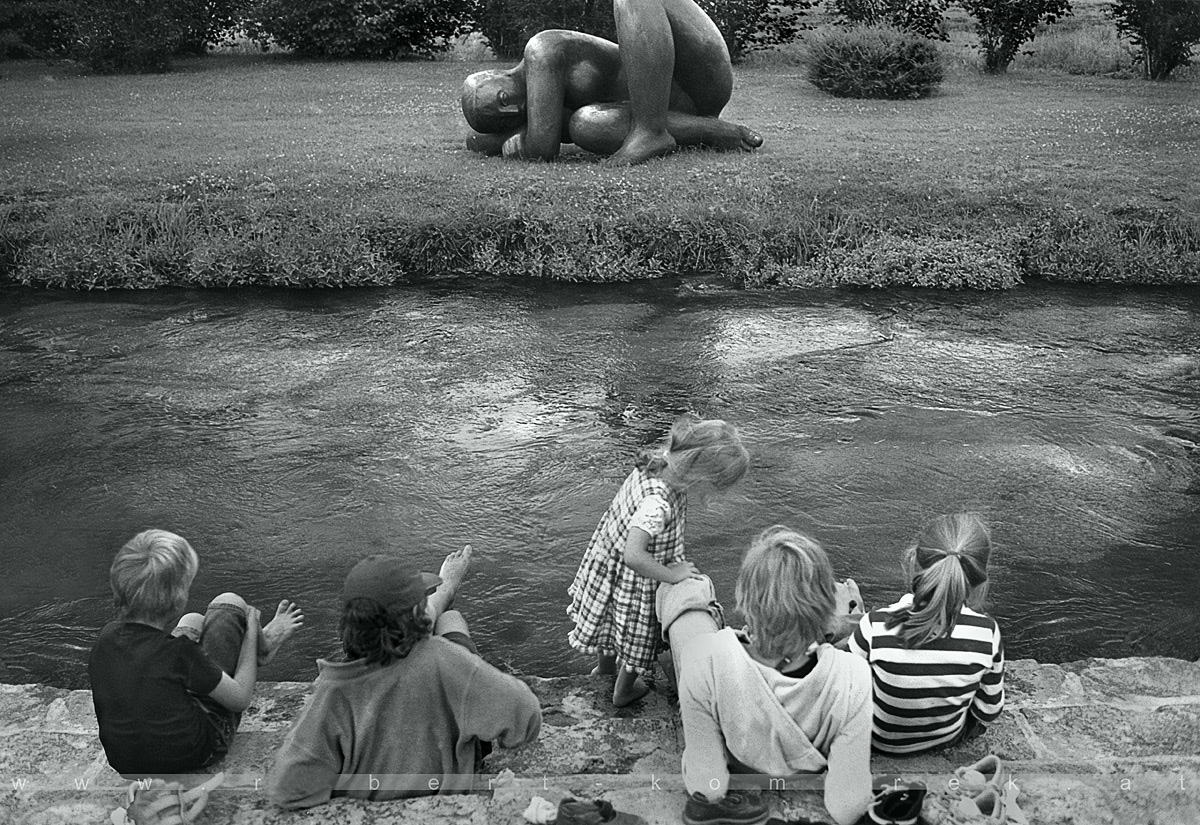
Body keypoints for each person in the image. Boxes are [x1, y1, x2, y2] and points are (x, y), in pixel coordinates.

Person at [266, 545, 542, 808]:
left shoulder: (331, 693)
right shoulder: (443, 659)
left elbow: (287, 790)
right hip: (446, 792)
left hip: (366, 796)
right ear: (415, 614)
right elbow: (526, 717)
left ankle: (446, 594)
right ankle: (447, 598)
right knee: (452, 621)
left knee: (446, 619)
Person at [675, 526, 874, 825]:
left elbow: (708, 787)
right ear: (823, 608)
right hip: (804, 768)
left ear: (744, 597)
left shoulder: (702, 658)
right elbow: (848, 805)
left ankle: (697, 593)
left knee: (685, 594)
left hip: (723, 685)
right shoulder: (853, 677)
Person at [567, 416, 750, 708]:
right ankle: (623, 690)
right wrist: (672, 574)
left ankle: (604, 669)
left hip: (608, 566)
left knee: (611, 621)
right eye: (715, 487)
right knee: (636, 635)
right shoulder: (659, 503)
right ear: (701, 478)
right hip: (635, 578)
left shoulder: (658, 464)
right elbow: (635, 555)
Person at [88, 529, 303, 776]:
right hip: (195, 753)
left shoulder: (107, 636)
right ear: (178, 599)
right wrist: (251, 629)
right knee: (230, 602)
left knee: (192, 620)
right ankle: (260, 649)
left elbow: (151, 668)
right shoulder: (179, 653)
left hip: (126, 761)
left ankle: (250, 648)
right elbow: (241, 699)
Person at [461, 0, 763, 164]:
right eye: (505, 117)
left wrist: (503, 142)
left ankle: (651, 130)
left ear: (497, 75)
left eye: (503, 98)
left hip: (696, 75)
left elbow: (542, 146)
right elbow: (480, 140)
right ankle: (710, 130)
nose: (518, 107)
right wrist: (495, 137)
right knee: (585, 125)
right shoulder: (545, 106)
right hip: (683, 110)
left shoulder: (541, 52)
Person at [846, 512, 1005, 756]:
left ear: (914, 560)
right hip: (946, 738)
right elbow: (988, 711)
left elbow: (843, 690)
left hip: (877, 740)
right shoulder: (987, 632)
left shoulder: (875, 625)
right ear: (980, 578)